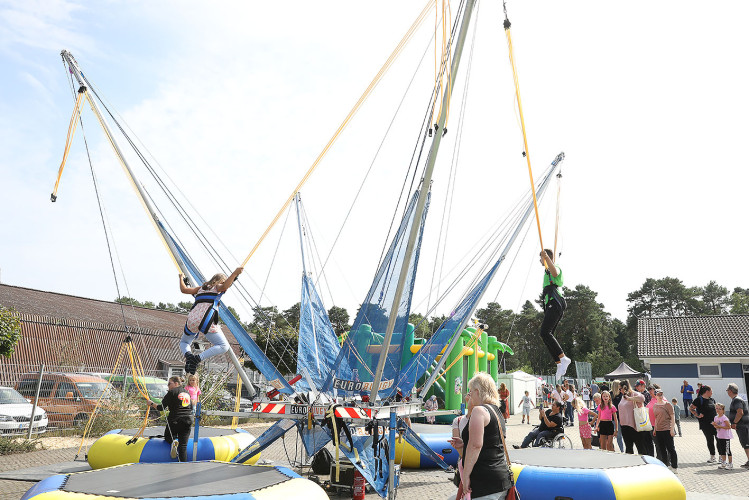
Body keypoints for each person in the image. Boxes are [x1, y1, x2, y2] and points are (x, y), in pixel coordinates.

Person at [448, 373, 510, 500]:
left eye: (471, 392)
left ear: (477, 391)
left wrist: (465, 476)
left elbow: (476, 445)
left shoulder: (479, 411)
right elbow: (489, 444)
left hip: (484, 483)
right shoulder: (496, 411)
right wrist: (464, 445)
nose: (470, 396)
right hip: (499, 479)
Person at [179, 268, 243, 374]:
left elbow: (184, 290)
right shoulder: (217, 288)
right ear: (220, 281)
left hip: (192, 320)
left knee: (184, 342)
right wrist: (235, 273)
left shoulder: (200, 289)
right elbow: (225, 286)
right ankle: (197, 358)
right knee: (223, 346)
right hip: (205, 321)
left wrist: (180, 278)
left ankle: (188, 356)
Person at [537, 249, 571, 381]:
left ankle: (563, 358)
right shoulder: (547, 271)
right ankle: (559, 363)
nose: (540, 261)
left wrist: (547, 259)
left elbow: (555, 272)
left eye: (541, 258)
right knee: (545, 336)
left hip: (555, 302)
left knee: (545, 332)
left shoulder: (554, 267)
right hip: (551, 303)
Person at [147, 376, 192, 462]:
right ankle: (184, 465)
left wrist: (151, 403)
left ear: (176, 383)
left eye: (169, 383)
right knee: (183, 446)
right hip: (188, 420)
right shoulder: (187, 392)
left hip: (176, 419)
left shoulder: (172, 392)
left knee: (168, 436)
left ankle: (173, 441)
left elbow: (161, 407)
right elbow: (190, 407)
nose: (168, 386)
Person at [691, 385, 718, 463]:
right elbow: (691, 408)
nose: (712, 393)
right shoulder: (699, 400)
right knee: (710, 440)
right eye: (711, 391)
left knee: (718, 439)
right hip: (705, 424)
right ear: (707, 392)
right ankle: (712, 456)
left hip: (715, 424)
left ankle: (721, 456)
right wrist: (697, 415)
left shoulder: (712, 400)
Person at [617, 380, 645, 454]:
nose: (619, 391)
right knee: (628, 448)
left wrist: (630, 399)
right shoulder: (623, 397)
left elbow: (642, 399)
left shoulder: (634, 394)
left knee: (640, 447)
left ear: (624, 387)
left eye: (620, 389)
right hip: (624, 426)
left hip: (634, 426)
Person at [653, 389, 677, 469]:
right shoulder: (655, 405)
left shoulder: (667, 404)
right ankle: (665, 465)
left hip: (667, 429)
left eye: (661, 394)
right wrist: (655, 429)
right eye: (658, 394)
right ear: (655, 396)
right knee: (662, 449)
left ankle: (674, 466)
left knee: (670, 448)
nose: (660, 396)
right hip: (658, 430)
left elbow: (672, 416)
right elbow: (656, 418)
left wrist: (672, 429)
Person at [726, 382, 749, 468]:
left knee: (746, 443)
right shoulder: (737, 399)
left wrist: (735, 422)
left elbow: (740, 412)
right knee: (745, 443)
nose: (727, 392)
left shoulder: (737, 400)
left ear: (730, 391)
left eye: (727, 390)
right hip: (743, 425)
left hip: (743, 425)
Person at [713, 403, 733, 470]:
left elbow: (729, 426)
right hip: (719, 436)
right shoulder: (716, 417)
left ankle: (730, 463)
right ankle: (723, 462)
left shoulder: (724, 418)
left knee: (727, 450)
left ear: (723, 410)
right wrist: (715, 425)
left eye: (720, 409)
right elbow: (716, 426)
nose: (718, 410)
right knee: (722, 450)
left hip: (726, 436)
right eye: (716, 408)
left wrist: (720, 426)